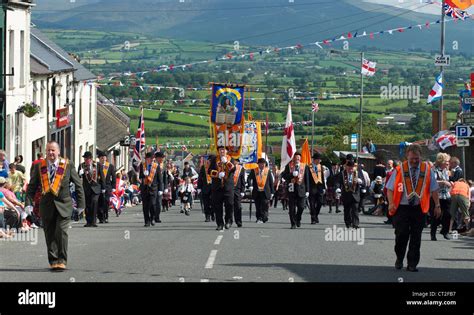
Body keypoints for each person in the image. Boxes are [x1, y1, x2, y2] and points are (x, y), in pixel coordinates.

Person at [25, 141, 85, 271]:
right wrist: (28, 204)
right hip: (46, 206)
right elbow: (32, 187)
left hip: (64, 205)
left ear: (58, 152)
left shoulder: (67, 165)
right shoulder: (39, 166)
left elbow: (78, 184)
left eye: (53, 150)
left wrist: (81, 205)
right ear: (45, 152)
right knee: (49, 233)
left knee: (61, 231)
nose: (51, 153)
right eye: (48, 150)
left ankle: (62, 260)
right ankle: (53, 260)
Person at [386, 144, 440, 272]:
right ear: (407, 156)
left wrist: (437, 205)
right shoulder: (399, 169)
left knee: (416, 237)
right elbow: (389, 189)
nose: (415, 161)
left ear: (421, 156)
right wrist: (390, 203)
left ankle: (412, 264)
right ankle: (399, 257)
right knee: (401, 235)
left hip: (419, 208)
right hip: (401, 208)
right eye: (412, 159)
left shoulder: (427, 170)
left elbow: (434, 189)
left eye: (417, 158)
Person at [208, 146, 235, 230]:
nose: (222, 151)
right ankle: (219, 224)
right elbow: (209, 171)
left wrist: (227, 162)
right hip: (217, 187)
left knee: (229, 205)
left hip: (228, 187)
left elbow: (233, 169)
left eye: (223, 149)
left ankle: (228, 221)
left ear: (226, 151)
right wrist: (217, 174)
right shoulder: (214, 160)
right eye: (220, 150)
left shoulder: (231, 159)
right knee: (217, 206)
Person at [281, 152, 310, 229]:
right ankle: (293, 223)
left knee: (301, 207)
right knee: (292, 208)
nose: (297, 159)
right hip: (292, 189)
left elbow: (307, 179)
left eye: (298, 158)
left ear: (300, 159)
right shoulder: (289, 166)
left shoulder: (304, 166)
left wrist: (307, 190)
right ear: (293, 158)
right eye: (295, 158)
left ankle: (298, 218)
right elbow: (284, 175)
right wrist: (291, 174)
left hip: (301, 189)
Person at [78, 151, 106, 227]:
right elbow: (78, 177)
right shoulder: (81, 166)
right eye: (85, 159)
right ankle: (88, 221)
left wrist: (103, 188)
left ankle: (93, 221)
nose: (85, 160)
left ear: (90, 159)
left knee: (94, 202)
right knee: (87, 205)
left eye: (87, 159)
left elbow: (102, 177)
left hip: (96, 188)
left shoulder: (97, 165)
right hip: (86, 188)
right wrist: (80, 174)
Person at [431, 153, 452, 241]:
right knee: (436, 215)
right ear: (441, 161)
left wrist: (449, 184)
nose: (448, 163)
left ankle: (445, 231)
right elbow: (433, 182)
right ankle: (433, 234)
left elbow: (447, 182)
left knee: (448, 215)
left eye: (448, 161)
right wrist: (443, 182)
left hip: (446, 195)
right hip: (437, 196)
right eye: (446, 161)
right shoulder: (434, 170)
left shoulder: (446, 171)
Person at [337, 160, 362, 229]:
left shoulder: (357, 173)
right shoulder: (342, 173)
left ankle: (355, 224)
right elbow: (338, 182)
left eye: (352, 167)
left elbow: (363, 181)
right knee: (347, 210)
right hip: (346, 194)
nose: (351, 169)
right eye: (349, 168)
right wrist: (338, 188)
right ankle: (348, 222)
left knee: (355, 209)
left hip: (355, 194)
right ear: (346, 167)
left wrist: (360, 182)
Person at [140, 152, 162, 227]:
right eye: (150, 158)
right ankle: (147, 221)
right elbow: (140, 177)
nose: (152, 160)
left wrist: (160, 189)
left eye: (153, 159)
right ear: (147, 159)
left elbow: (160, 179)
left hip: (153, 188)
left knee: (153, 204)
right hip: (145, 188)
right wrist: (143, 174)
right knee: (145, 206)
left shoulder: (156, 166)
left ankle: (152, 218)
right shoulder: (142, 166)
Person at [249, 158, 274, 224]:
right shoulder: (254, 171)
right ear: (258, 164)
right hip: (257, 191)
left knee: (265, 205)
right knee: (258, 206)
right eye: (261, 164)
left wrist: (272, 192)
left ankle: (264, 217)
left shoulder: (268, 171)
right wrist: (250, 185)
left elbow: (271, 182)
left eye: (263, 164)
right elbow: (249, 178)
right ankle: (259, 218)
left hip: (265, 192)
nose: (262, 165)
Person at [97, 152, 116, 224]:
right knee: (99, 202)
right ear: (99, 158)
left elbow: (113, 177)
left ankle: (106, 216)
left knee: (106, 202)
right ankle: (100, 217)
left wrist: (114, 186)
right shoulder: (97, 166)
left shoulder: (110, 166)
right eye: (102, 157)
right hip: (99, 186)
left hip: (107, 186)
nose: (103, 159)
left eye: (104, 157)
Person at [308, 152, 326, 224]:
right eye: (319, 159)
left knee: (320, 202)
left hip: (319, 188)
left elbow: (322, 177)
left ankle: (316, 215)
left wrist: (324, 187)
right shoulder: (309, 167)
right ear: (315, 160)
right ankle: (313, 218)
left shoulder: (320, 167)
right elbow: (307, 178)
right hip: (311, 188)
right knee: (312, 204)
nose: (320, 161)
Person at [198, 155, 215, 222]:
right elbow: (200, 178)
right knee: (206, 203)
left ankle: (213, 214)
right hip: (205, 188)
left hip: (214, 188)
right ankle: (207, 216)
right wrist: (199, 187)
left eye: (211, 160)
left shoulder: (217, 167)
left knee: (214, 203)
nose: (210, 161)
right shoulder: (204, 167)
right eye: (209, 160)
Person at [231, 158, 245, 227]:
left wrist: (242, 190)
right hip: (229, 189)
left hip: (237, 190)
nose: (235, 162)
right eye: (234, 161)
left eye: (236, 161)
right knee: (229, 206)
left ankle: (238, 221)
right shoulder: (227, 166)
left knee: (238, 206)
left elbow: (242, 180)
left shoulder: (241, 169)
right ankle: (229, 221)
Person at [154, 151, 167, 222]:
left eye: (163, 158)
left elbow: (165, 177)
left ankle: (157, 217)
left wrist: (165, 187)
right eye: (161, 158)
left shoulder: (163, 166)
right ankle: (152, 216)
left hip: (160, 187)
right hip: (153, 186)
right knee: (153, 203)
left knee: (159, 203)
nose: (162, 159)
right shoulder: (153, 165)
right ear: (157, 158)